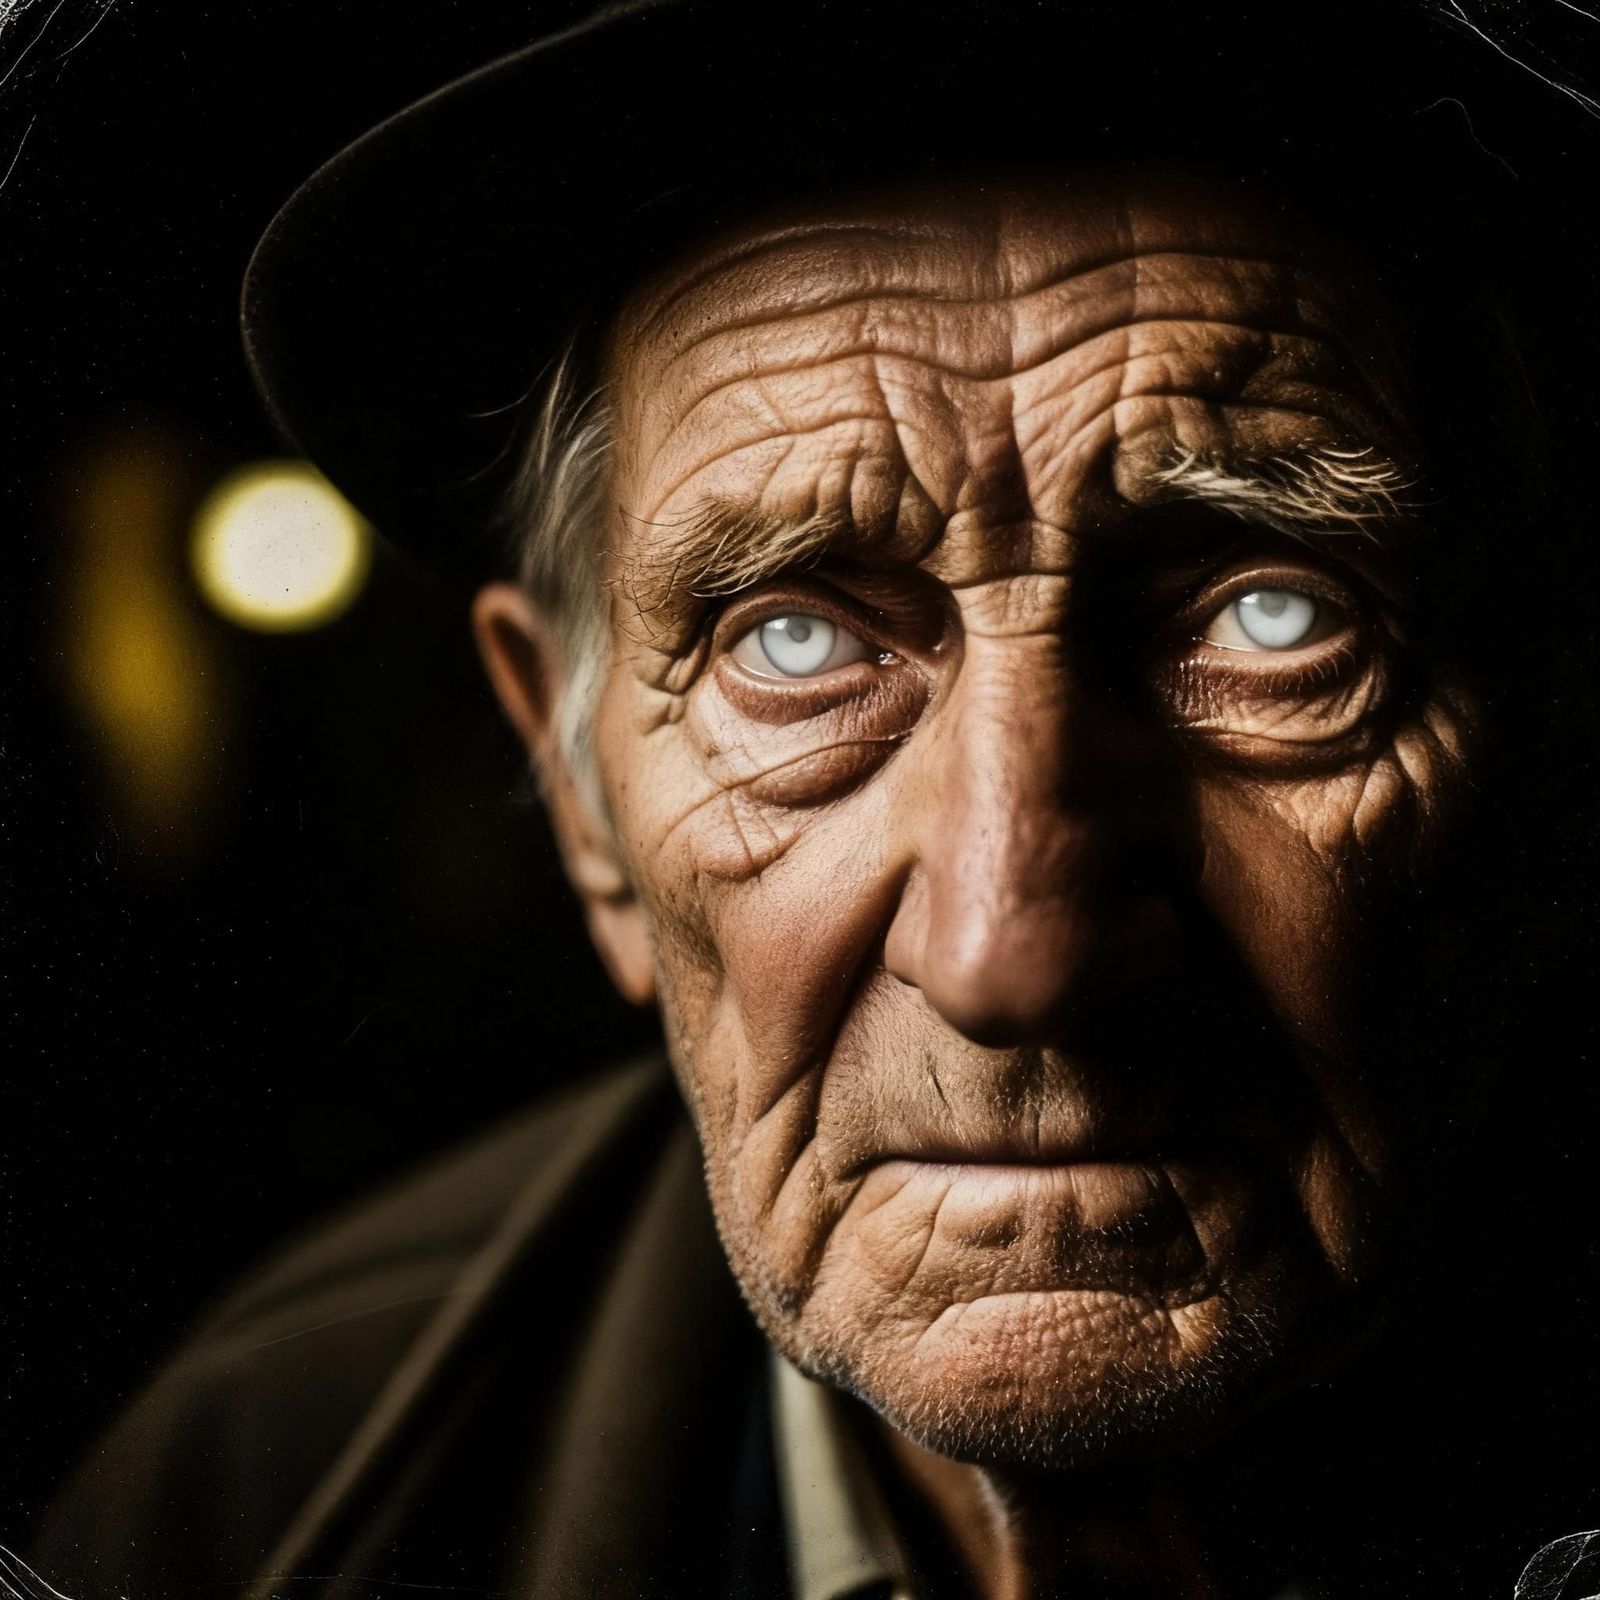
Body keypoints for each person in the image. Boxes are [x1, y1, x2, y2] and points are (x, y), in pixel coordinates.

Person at [28, 3, 1600, 1597]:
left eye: (1273, 617)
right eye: (792, 639)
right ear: (581, 796)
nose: (1013, 959)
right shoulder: (248, 1505)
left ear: (1549, 722)